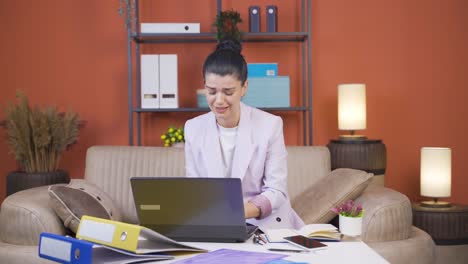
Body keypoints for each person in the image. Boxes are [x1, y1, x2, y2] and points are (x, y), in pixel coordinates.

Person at [184, 38, 304, 230]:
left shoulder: (270, 125)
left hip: (263, 224)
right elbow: (194, 188)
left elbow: (276, 190)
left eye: (228, 92)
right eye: (211, 91)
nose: (219, 100)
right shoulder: (193, 128)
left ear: (244, 87)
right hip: (214, 225)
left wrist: (236, 213)